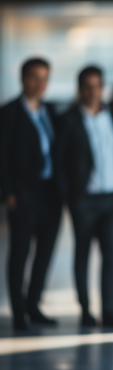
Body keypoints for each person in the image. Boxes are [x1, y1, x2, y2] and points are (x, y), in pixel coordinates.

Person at [55, 66, 113, 330]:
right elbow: (60, 163)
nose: (93, 91)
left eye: (97, 85)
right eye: (88, 86)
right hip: (84, 200)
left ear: (103, 87)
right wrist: (71, 198)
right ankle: (86, 312)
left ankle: (110, 314)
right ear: (80, 89)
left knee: (111, 258)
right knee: (83, 256)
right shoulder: (67, 120)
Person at [0, 58, 62, 331]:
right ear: (23, 79)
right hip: (23, 193)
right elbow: (1, 156)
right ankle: (17, 312)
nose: (41, 84)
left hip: (51, 193)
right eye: (35, 77)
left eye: (45, 78)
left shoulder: (51, 111)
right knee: (20, 253)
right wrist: (8, 193)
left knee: (45, 253)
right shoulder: (8, 113)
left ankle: (33, 305)